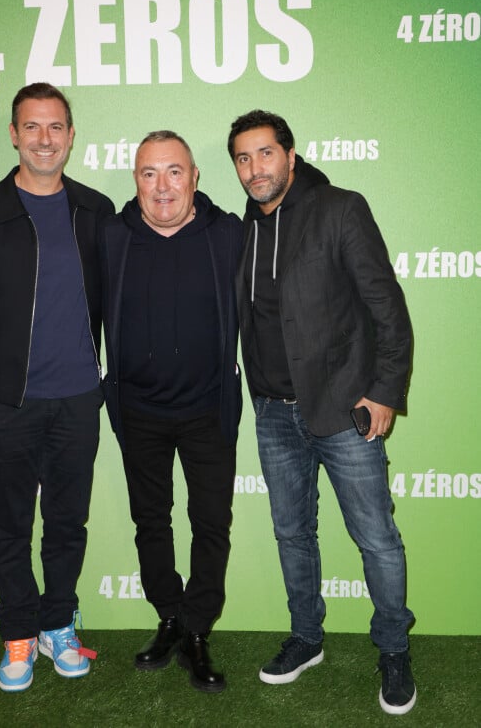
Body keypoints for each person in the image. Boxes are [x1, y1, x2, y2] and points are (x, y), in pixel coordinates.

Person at [0, 82, 115, 692]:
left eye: (55, 126)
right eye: (31, 127)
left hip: (78, 401)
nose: (43, 139)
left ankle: (59, 623)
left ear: (70, 135)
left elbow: (123, 300)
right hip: (3, 407)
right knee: (9, 525)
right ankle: (17, 634)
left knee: (67, 523)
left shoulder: (96, 210)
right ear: (13, 135)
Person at [227, 110, 416, 715]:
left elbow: (387, 305)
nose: (255, 168)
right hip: (273, 413)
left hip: (345, 409)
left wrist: (385, 389)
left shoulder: (340, 208)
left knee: (376, 539)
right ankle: (307, 638)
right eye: (243, 158)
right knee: (292, 534)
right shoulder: (243, 231)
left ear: (289, 154)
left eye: (264, 154)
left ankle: (393, 649)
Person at [99, 130, 242, 693]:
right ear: (135, 180)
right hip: (138, 411)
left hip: (208, 409)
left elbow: (294, 206)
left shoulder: (228, 232)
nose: (162, 187)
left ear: (195, 177)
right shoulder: (110, 236)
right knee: (150, 522)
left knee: (212, 523)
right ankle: (170, 618)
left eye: (174, 172)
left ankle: (199, 629)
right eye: (148, 173)